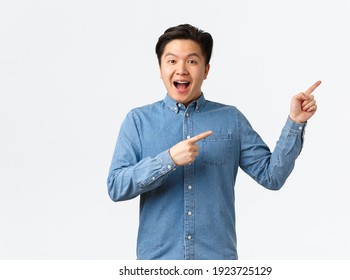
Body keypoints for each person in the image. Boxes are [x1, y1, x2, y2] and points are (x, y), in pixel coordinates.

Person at [107, 23, 321, 260]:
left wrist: (295, 122)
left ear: (206, 69)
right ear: (160, 68)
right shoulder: (138, 121)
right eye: (172, 61)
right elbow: (116, 187)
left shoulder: (231, 119)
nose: (181, 70)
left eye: (191, 61)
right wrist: (167, 160)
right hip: (158, 264)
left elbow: (272, 177)